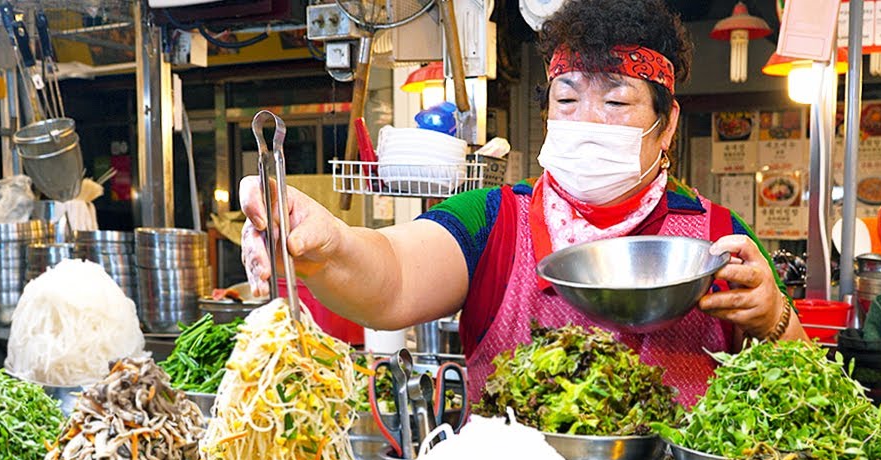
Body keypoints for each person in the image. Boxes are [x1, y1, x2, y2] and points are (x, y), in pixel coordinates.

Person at [239, 0, 808, 405]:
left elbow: (808, 396)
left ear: (666, 126)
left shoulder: (718, 237)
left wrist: (776, 320)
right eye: (567, 98)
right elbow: (391, 276)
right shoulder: (495, 220)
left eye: (616, 100)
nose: (586, 120)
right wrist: (328, 239)